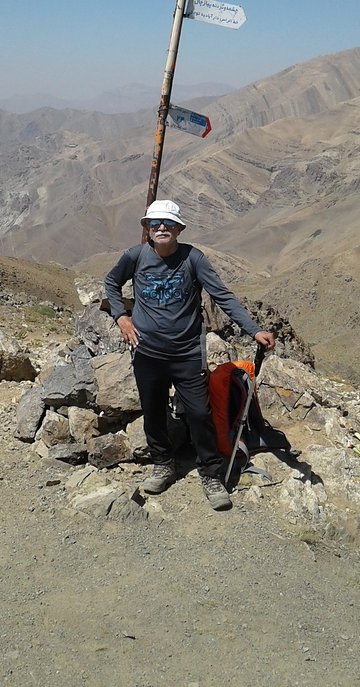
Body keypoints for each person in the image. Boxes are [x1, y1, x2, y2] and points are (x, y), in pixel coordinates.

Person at [103, 198, 275, 510]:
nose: (161, 227)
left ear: (179, 228)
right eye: (155, 223)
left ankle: (210, 473)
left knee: (199, 413)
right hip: (147, 353)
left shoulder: (192, 259)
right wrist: (121, 316)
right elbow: (111, 283)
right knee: (153, 413)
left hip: (186, 355)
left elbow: (222, 295)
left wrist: (253, 329)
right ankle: (163, 464)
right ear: (147, 228)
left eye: (168, 223)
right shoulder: (135, 256)